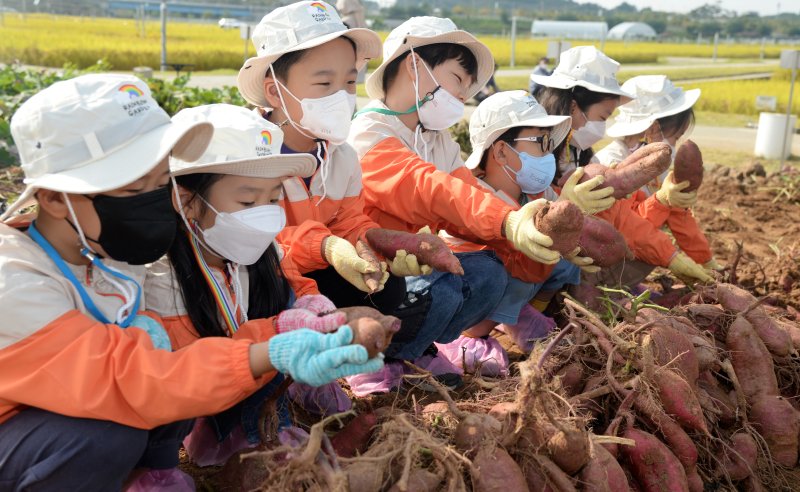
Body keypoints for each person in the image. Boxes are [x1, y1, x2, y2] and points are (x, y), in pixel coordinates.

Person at [0, 74, 382, 491]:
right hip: (22, 427)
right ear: (54, 198)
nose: (157, 201)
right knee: (107, 434)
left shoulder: (108, 255)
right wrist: (271, 349)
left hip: (71, 403)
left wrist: (279, 332)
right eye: (134, 189)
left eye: (161, 184)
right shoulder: (15, 284)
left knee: (169, 365)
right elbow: (137, 379)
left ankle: (148, 473)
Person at [348, 17, 590, 385]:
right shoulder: (371, 131)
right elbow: (431, 188)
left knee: (487, 273)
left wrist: (531, 227)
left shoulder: (437, 141)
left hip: (406, 266)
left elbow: (470, 194)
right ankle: (374, 359)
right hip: (365, 276)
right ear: (414, 65)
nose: (462, 96)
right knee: (444, 290)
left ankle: (413, 350)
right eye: (458, 80)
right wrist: (509, 223)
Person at [145, 104, 352, 468]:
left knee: (287, 299)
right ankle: (163, 461)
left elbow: (291, 279)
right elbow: (184, 374)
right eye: (246, 200)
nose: (265, 212)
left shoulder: (258, 248)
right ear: (186, 201)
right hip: (186, 393)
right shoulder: (161, 276)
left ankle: (255, 422)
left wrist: (310, 304)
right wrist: (275, 337)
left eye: (273, 198)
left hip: (241, 369)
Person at [237, 1, 433, 317]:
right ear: (275, 92)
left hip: (310, 266)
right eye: (325, 83)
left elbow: (348, 220)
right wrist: (326, 247)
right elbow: (255, 243)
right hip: (260, 274)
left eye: (349, 82)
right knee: (270, 291)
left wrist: (373, 247)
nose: (341, 96)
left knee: (386, 287)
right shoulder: (245, 153)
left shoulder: (340, 155)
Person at [436, 90, 600, 374]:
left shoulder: (533, 191)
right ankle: (465, 337)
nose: (548, 154)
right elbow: (521, 252)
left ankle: (520, 316)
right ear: (501, 151)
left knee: (564, 264)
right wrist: (563, 212)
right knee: (518, 266)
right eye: (540, 142)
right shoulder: (475, 194)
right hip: (471, 291)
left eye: (549, 143)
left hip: (514, 277)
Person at [533, 47, 713, 290]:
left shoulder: (578, 154)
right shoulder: (543, 153)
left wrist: (683, 256)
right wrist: (661, 204)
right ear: (574, 106)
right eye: (602, 116)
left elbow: (623, 218)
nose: (600, 127)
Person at [597, 74, 722, 273]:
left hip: (635, 252)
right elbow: (626, 228)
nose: (674, 146)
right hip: (602, 262)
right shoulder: (612, 165)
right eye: (675, 137)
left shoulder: (656, 166)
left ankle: (627, 282)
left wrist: (705, 260)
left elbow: (680, 216)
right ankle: (615, 283)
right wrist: (661, 201)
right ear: (653, 129)